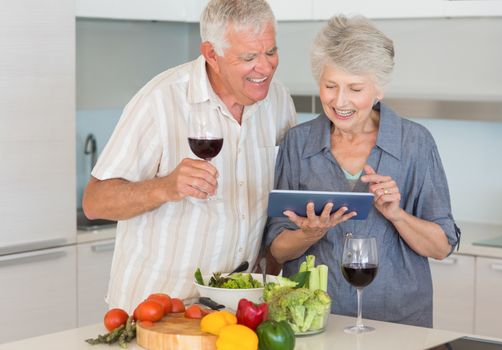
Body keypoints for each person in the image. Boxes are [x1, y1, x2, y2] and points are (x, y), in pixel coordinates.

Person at [82, 0, 296, 312]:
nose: (264, 68)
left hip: (232, 309)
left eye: (271, 52)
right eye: (249, 57)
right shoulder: (161, 100)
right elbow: (95, 202)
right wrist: (165, 186)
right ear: (212, 54)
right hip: (157, 309)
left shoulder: (278, 101)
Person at [263, 15, 460, 327]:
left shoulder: (415, 143)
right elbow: (277, 250)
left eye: (355, 88)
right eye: (330, 86)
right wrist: (308, 233)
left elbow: (441, 246)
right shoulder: (298, 143)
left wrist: (397, 214)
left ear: (378, 89)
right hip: (313, 323)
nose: (340, 101)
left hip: (398, 325)